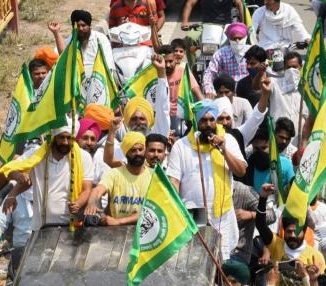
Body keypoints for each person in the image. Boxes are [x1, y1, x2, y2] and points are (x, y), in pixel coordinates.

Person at [166, 100, 246, 259]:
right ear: (196, 121)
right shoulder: (182, 146)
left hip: (222, 214)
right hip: (193, 214)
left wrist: (223, 150)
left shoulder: (228, 140)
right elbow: (173, 183)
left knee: (221, 262)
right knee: (195, 260)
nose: (208, 124)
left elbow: (241, 171)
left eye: (212, 120)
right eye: (203, 120)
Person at [0, 125, 95, 232]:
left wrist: (78, 203)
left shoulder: (83, 157)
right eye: (61, 138)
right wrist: (17, 179)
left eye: (69, 138)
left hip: (71, 227)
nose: (65, 142)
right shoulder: (38, 155)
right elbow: (8, 170)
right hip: (41, 228)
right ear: (54, 137)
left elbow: (87, 189)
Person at [85, 132, 148, 226]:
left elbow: (150, 212)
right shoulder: (114, 173)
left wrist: (119, 221)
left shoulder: (153, 176)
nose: (137, 153)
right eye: (133, 150)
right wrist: (91, 202)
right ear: (126, 153)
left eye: (140, 149)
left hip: (142, 232)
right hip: (114, 231)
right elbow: (98, 190)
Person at [48, 11, 113, 76]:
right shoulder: (72, 39)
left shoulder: (100, 39)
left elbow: (108, 65)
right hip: (76, 78)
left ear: (89, 26)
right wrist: (56, 33)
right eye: (77, 26)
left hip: (98, 78)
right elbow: (63, 55)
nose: (80, 29)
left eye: (83, 25)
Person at [202, 22, 250, 97]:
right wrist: (209, 90)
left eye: (240, 38)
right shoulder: (221, 53)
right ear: (229, 39)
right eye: (234, 39)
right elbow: (209, 73)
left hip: (249, 92)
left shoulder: (252, 51)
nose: (237, 41)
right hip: (227, 94)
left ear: (245, 37)